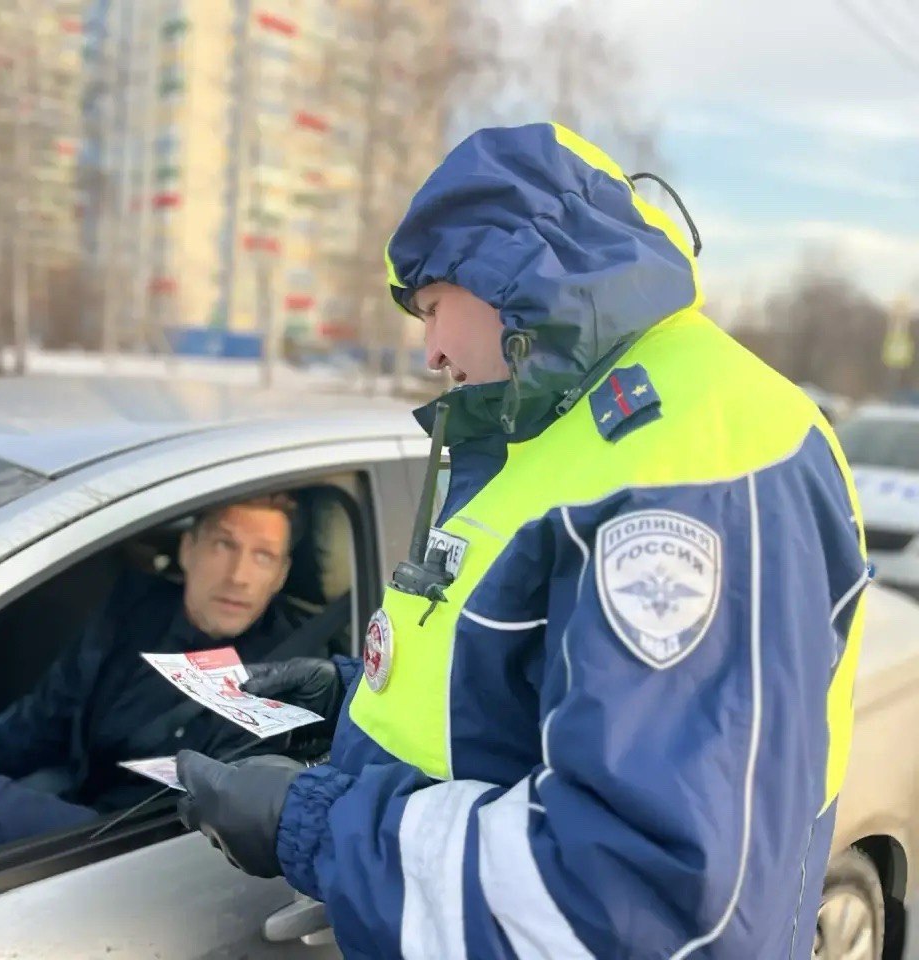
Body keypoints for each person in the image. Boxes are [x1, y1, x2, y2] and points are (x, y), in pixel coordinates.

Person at [175, 123, 869, 959]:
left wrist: (316, 829)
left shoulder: (696, 461)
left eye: (434, 308)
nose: (432, 350)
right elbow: (539, 694)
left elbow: (636, 899)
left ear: (508, 268)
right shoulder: (561, 422)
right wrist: (356, 698)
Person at [0, 493, 328, 853]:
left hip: (120, 860)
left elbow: (160, 843)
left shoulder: (282, 685)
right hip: (68, 794)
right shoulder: (133, 608)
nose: (239, 576)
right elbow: (44, 716)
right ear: (187, 550)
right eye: (224, 544)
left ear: (280, 576)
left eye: (262, 556)